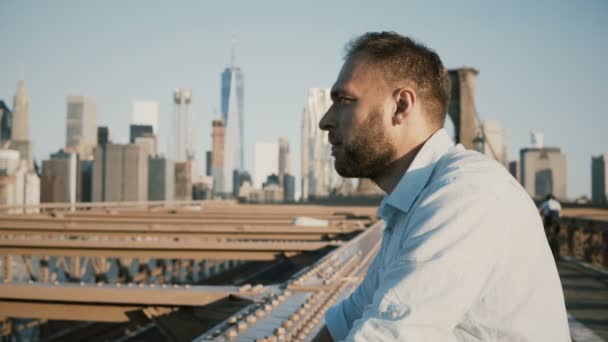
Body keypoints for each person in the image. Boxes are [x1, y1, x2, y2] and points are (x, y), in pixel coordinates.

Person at [314, 32, 569, 341]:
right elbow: (349, 318)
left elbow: (386, 336)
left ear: (401, 105)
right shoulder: (411, 205)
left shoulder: (466, 195)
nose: (325, 121)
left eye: (344, 101)